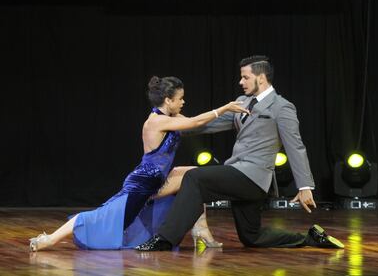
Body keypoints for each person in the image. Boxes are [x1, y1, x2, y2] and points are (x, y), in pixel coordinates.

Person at [135, 56, 345, 251]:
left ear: (261, 78)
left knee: (194, 178)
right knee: (251, 237)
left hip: (254, 176)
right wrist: (168, 117)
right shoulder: (242, 102)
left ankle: (165, 239)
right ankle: (309, 237)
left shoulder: (282, 108)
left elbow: (295, 146)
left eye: (245, 77)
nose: (240, 82)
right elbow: (205, 126)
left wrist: (305, 185)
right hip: (237, 172)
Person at [29, 76, 249, 251]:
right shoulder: (156, 121)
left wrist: (236, 121)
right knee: (100, 216)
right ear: (168, 100)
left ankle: (202, 231)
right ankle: (50, 239)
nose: (183, 102)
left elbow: (197, 125)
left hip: (158, 179)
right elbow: (195, 121)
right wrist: (226, 107)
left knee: (195, 176)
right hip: (143, 183)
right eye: (180, 98)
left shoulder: (172, 118)